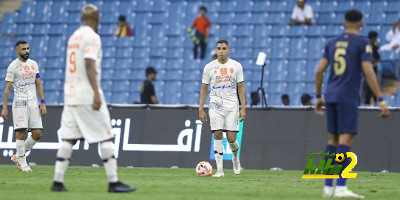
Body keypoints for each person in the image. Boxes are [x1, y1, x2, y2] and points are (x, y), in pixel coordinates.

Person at [51, 4, 135, 193]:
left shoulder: (74, 37)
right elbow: (89, 63)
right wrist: (96, 92)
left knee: (69, 139)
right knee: (106, 136)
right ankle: (113, 182)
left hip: (70, 94)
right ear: (97, 19)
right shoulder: (93, 37)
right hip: (86, 95)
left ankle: (57, 181)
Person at [315, 9, 390, 199]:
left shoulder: (331, 43)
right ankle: (340, 187)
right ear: (362, 24)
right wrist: (381, 99)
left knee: (332, 140)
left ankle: (327, 187)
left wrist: (318, 96)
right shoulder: (363, 42)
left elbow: (319, 71)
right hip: (347, 96)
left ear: (343, 23)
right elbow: (369, 72)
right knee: (345, 141)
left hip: (330, 95)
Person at [199, 40, 246, 177]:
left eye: (224, 48)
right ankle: (219, 170)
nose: (221, 51)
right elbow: (204, 88)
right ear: (216, 50)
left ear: (228, 50)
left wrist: (243, 108)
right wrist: (201, 108)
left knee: (231, 138)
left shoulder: (236, 66)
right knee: (217, 134)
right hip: (215, 104)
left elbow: (241, 88)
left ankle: (235, 158)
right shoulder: (209, 67)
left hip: (232, 104)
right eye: (219, 48)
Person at [1, 40, 47, 172]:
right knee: (21, 134)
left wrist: (43, 102)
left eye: (27, 48)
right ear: (17, 51)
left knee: (38, 134)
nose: (26, 51)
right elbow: (7, 89)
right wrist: (4, 107)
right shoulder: (13, 67)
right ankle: (23, 162)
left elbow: (38, 83)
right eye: (23, 49)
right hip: (20, 103)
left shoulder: (33, 64)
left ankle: (18, 156)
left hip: (33, 103)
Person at [364, 31, 381, 105]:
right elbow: (377, 58)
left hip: (365, 68)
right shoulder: (372, 46)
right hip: (372, 68)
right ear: (373, 38)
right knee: (373, 84)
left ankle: (368, 103)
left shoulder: (365, 44)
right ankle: (375, 102)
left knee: (369, 86)